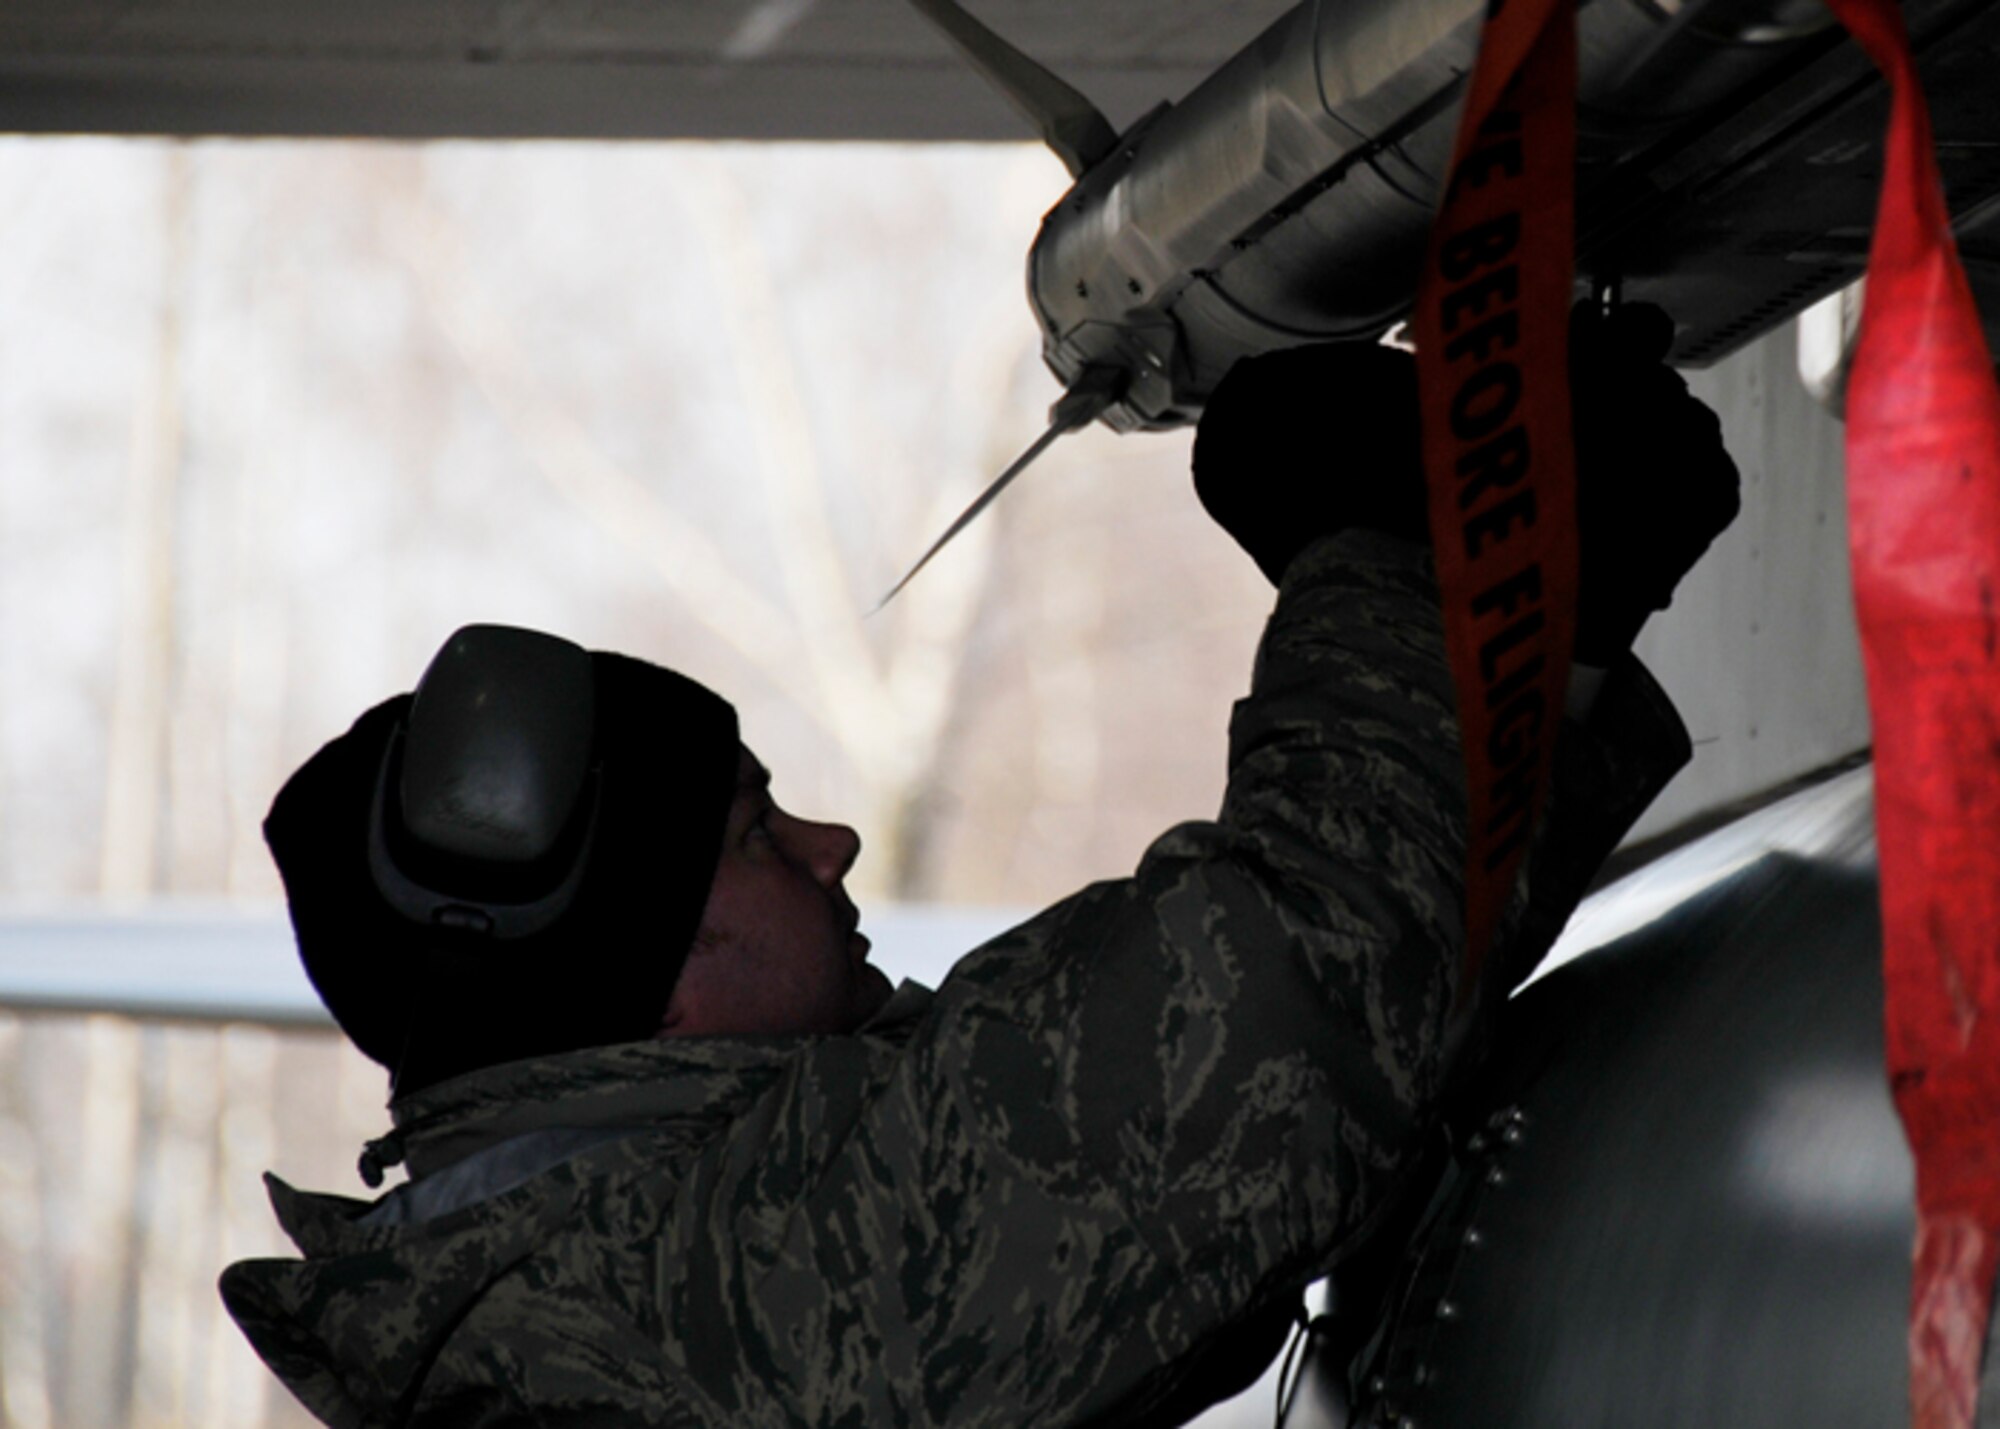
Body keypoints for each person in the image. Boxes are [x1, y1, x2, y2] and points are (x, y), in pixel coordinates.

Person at [221, 306, 1738, 1427]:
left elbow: (1306, 1054)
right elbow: (1285, 1002)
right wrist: (1407, 553)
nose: (833, 845)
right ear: (651, 990)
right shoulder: (716, 1283)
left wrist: (1540, 649)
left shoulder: (560, 1291)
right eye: (756, 838)